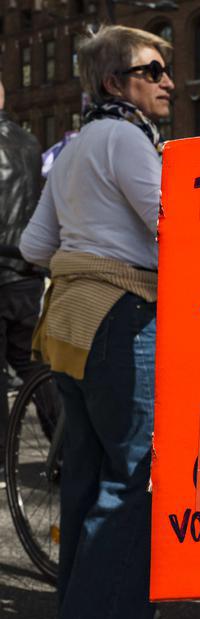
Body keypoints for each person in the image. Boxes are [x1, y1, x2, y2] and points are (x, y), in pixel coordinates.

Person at [19, 25, 173, 619]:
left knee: (84, 475)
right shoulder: (128, 138)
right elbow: (172, 223)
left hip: (69, 324)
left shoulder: (75, 145)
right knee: (133, 479)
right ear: (116, 82)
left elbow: (33, 245)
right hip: (122, 318)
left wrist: (86, 244)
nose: (167, 81)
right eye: (152, 70)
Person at [0, 78, 52, 477]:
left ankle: (2, 461)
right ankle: (62, 450)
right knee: (32, 363)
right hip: (26, 268)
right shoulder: (30, 143)